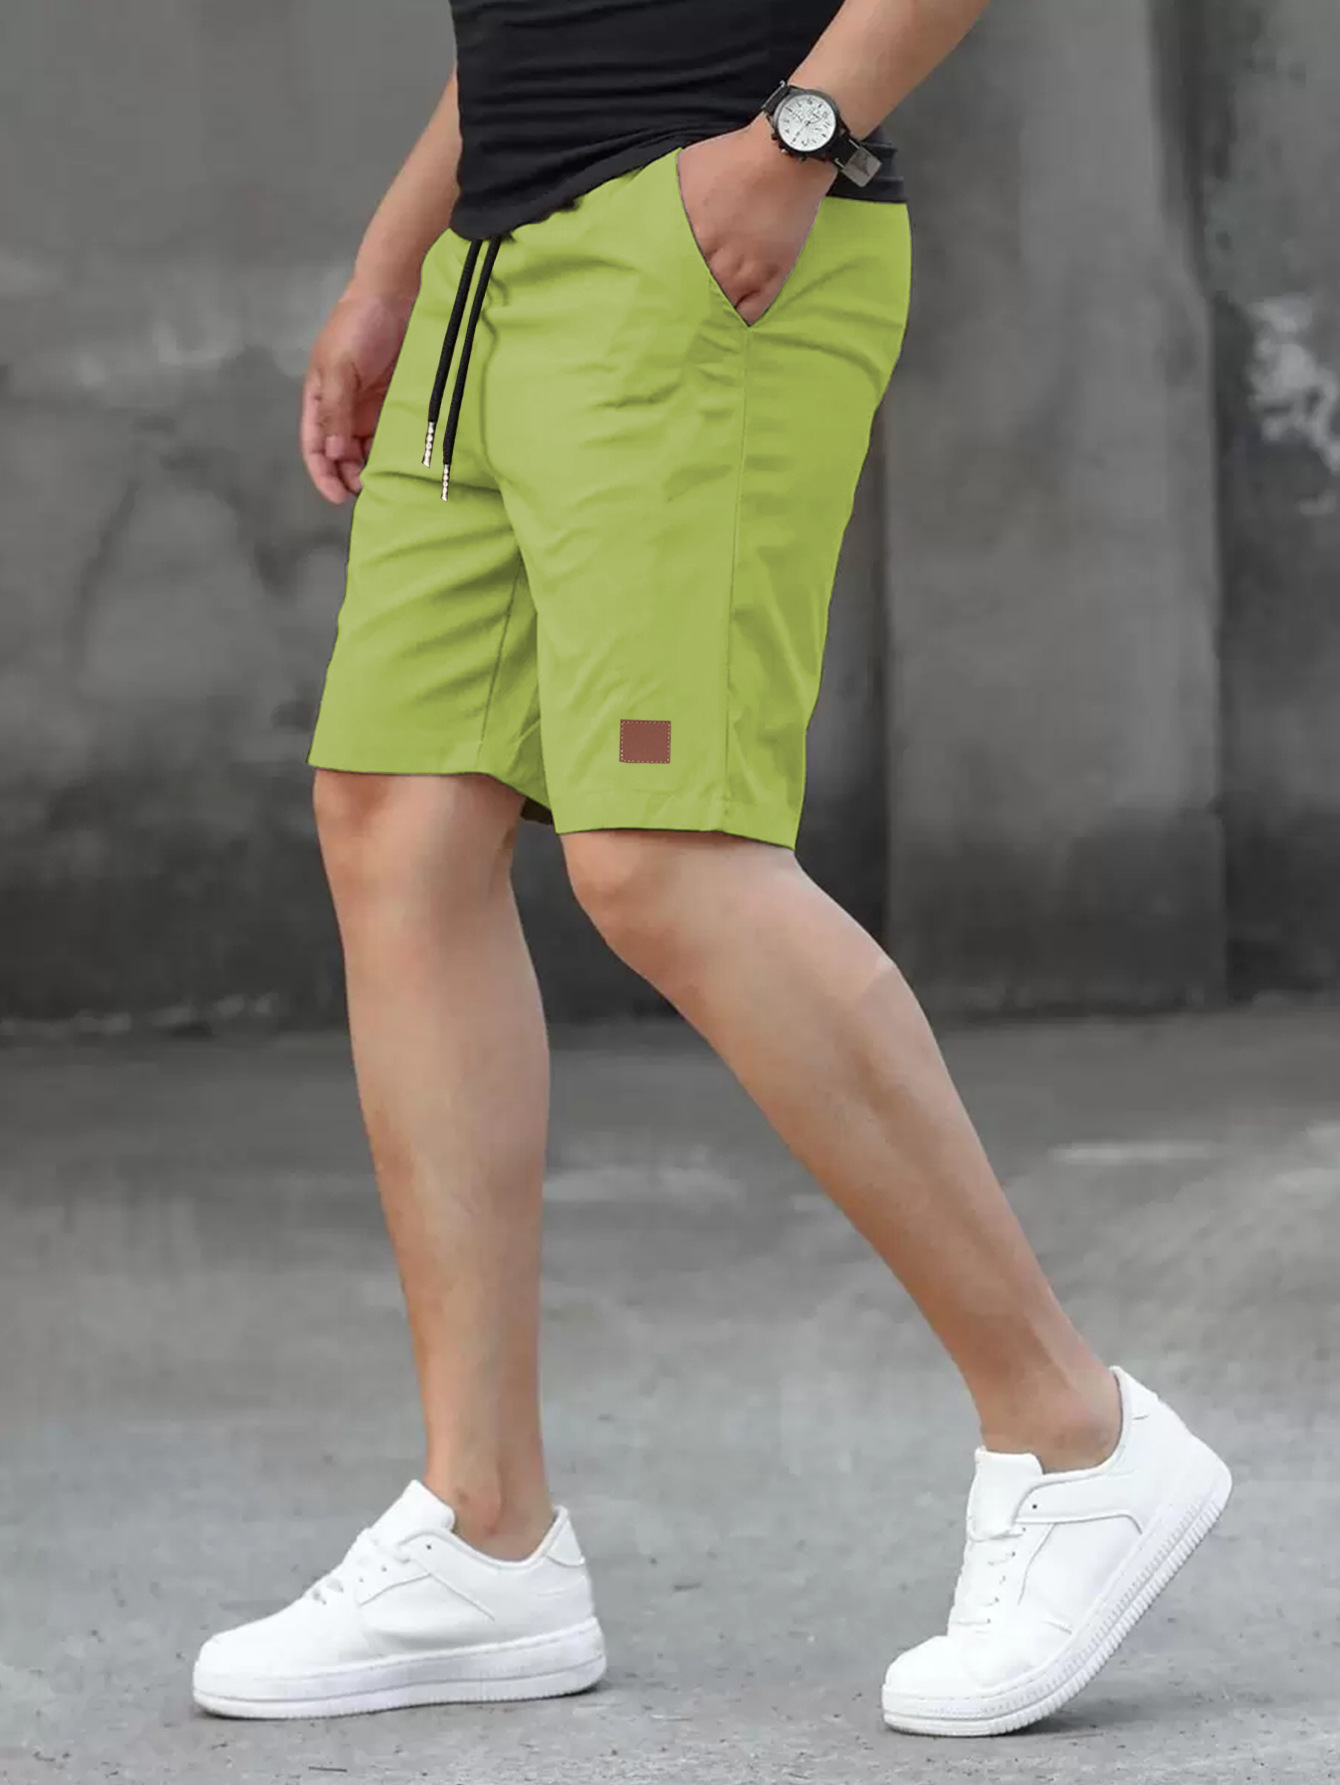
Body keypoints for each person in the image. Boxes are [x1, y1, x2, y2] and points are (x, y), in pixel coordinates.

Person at [191, 0, 1232, 1737]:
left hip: (700, 233)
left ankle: (1076, 1434)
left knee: (660, 855)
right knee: (396, 818)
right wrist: (393, 262)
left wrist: (801, 140)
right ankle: (485, 1528)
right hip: (489, 265)